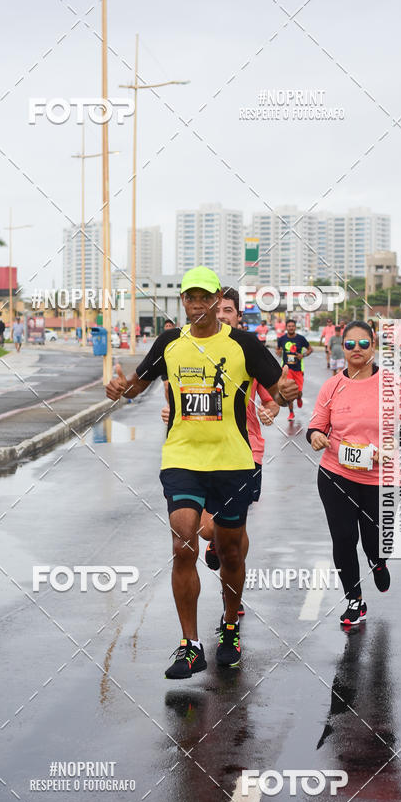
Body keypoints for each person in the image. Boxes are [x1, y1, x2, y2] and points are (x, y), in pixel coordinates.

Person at [106, 266, 299, 678]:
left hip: (232, 461)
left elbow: (279, 386)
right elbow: (139, 384)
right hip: (183, 459)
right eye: (189, 298)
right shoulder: (170, 343)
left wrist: (286, 391)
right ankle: (190, 645)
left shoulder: (244, 344)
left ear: (216, 301)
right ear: (184, 302)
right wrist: (122, 388)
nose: (196, 304)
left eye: (204, 297)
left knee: (230, 551)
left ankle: (229, 629)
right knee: (182, 547)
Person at [160, 288, 280, 617]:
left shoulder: (244, 351)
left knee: (232, 533)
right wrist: (171, 411)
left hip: (245, 449)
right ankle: (223, 555)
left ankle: (233, 590)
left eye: (228, 310)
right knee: (207, 528)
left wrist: (273, 409)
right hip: (198, 455)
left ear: (237, 315)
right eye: (220, 308)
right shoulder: (190, 347)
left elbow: (273, 396)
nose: (223, 314)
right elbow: (175, 393)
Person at [307, 321, 401, 627]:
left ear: (373, 346)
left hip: (380, 478)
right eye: (350, 345)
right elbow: (316, 425)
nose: (356, 350)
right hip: (336, 473)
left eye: (363, 344)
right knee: (344, 539)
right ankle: (354, 600)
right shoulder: (332, 386)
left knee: (374, 542)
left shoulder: (391, 384)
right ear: (341, 348)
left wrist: (391, 443)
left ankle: (378, 561)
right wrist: (316, 436)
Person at [276, 318, 313, 420]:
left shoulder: (301, 339)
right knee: (289, 392)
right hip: (287, 369)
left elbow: (310, 349)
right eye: (289, 326)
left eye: (292, 326)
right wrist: (278, 352)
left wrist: (303, 355)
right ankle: (291, 413)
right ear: (286, 327)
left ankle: (299, 398)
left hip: (298, 369)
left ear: (295, 327)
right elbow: (278, 349)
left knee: (298, 392)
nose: (291, 328)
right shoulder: (282, 339)